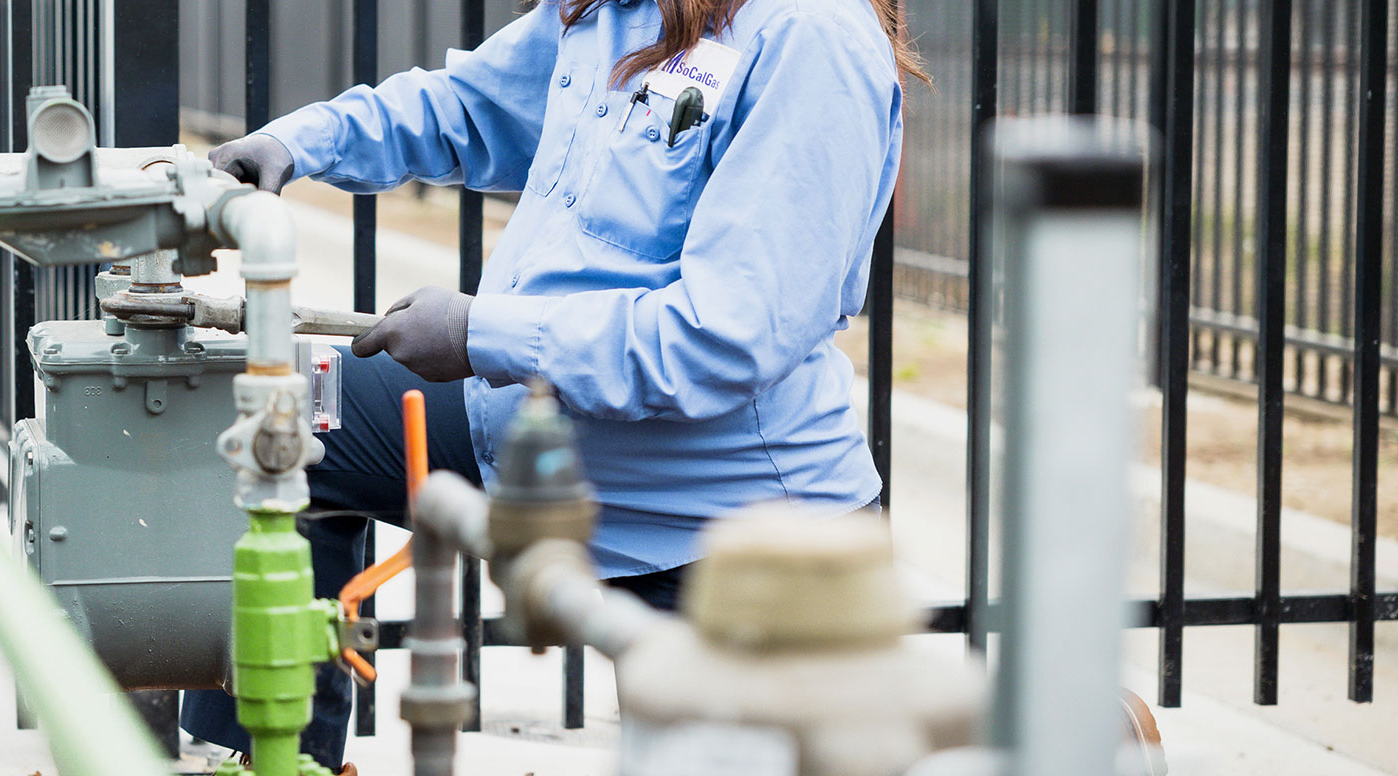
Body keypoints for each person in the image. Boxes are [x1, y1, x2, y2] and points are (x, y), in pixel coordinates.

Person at [182, 0, 926, 770]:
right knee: (278, 436)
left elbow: (726, 336)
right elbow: (469, 104)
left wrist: (481, 334)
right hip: (537, 426)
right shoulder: (621, 11)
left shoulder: (813, 36)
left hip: (727, 526)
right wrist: (297, 141)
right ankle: (261, 761)